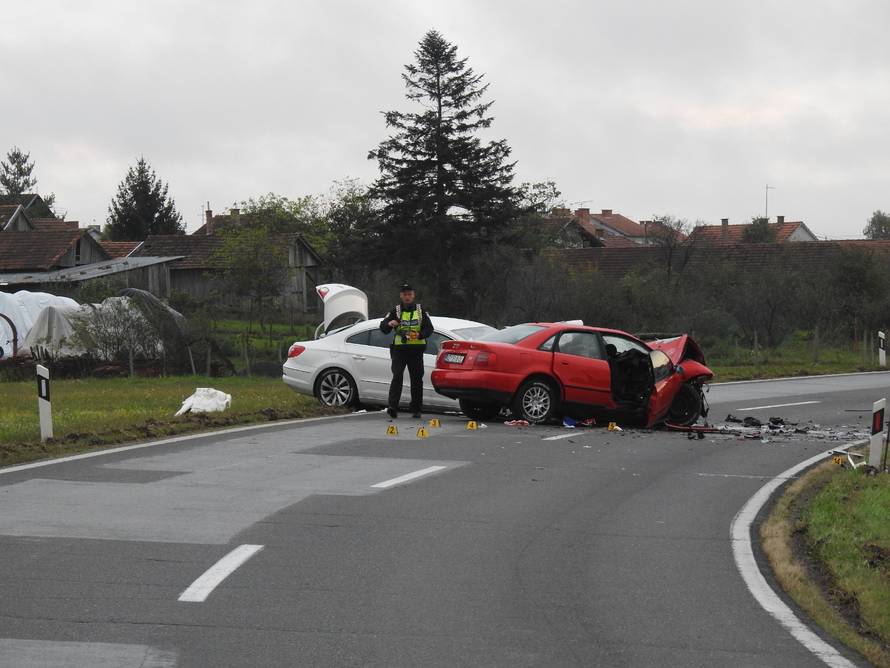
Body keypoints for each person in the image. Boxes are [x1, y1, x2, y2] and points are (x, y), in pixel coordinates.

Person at [379, 283, 433, 419]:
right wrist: (389, 324)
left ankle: (416, 408)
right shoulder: (395, 311)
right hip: (400, 350)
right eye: (405, 294)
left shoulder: (420, 310)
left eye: (410, 294)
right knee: (397, 376)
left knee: (416, 380)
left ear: (413, 295)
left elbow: (429, 328)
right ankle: (392, 407)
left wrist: (420, 335)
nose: (407, 297)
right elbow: (383, 327)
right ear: (401, 296)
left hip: (416, 351)